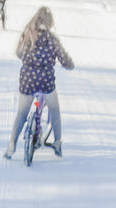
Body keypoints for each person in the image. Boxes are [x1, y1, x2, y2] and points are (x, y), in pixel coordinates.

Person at [4, 6, 74, 160]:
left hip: (27, 81)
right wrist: (70, 64)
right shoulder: (53, 39)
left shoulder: (27, 35)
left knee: (22, 113)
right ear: (50, 22)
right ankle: (57, 143)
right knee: (54, 109)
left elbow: (18, 53)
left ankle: (11, 144)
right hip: (46, 83)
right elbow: (64, 59)